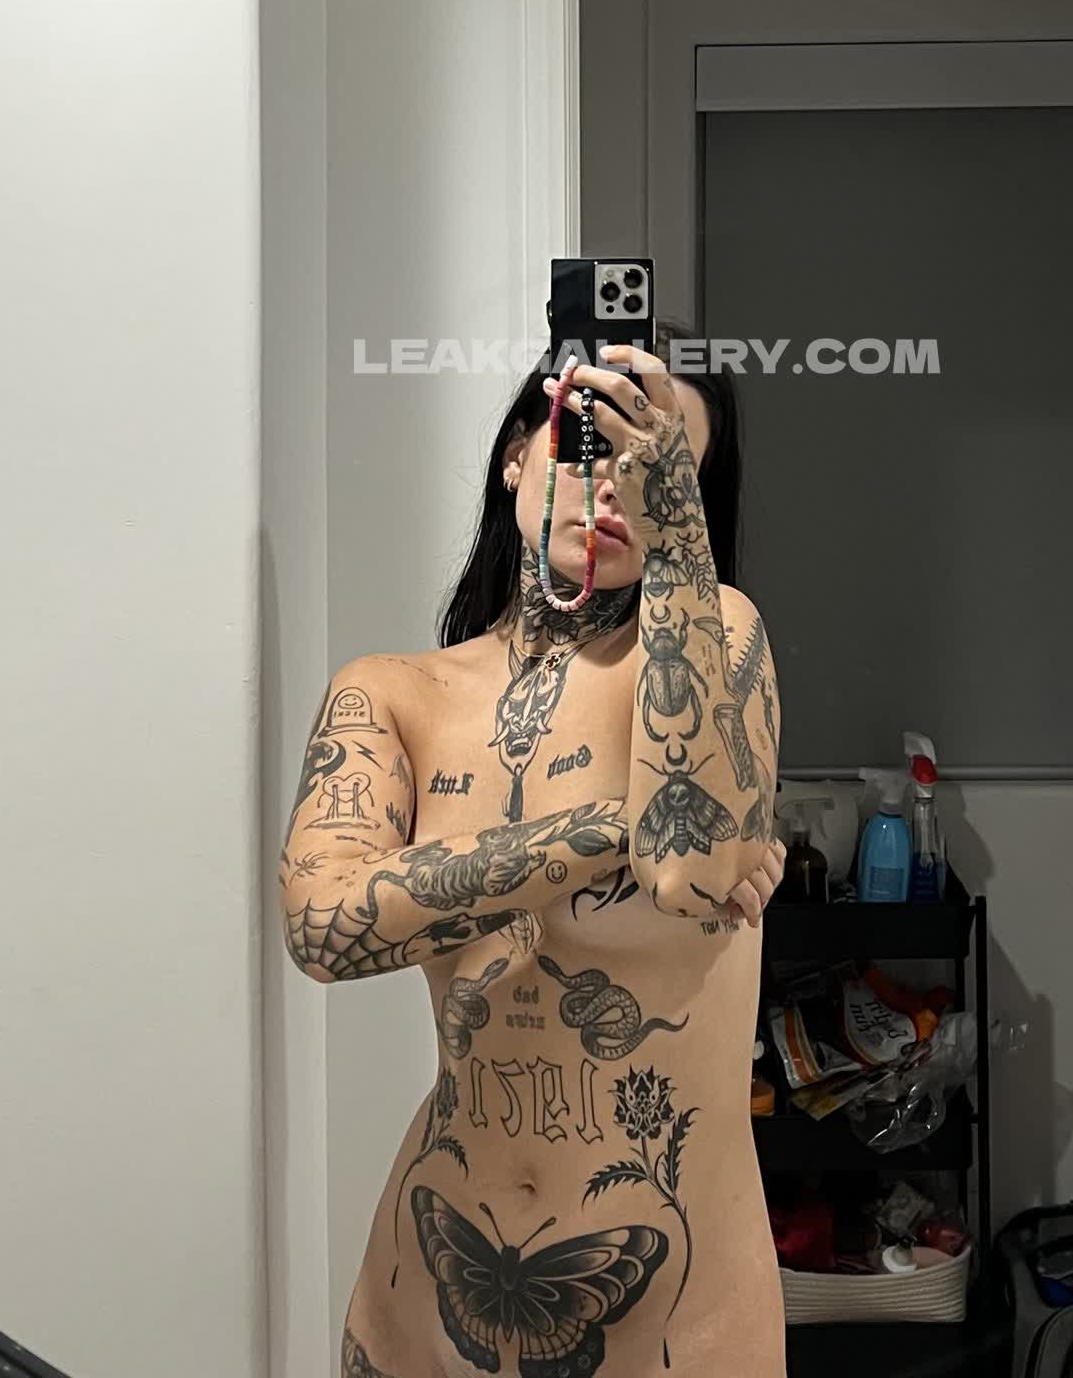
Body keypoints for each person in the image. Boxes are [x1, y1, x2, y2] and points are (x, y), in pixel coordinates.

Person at [279, 324, 788, 1378]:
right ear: (518, 453)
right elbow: (323, 926)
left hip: (676, 1323)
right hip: (423, 1290)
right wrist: (614, 826)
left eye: (660, 464)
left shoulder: (715, 638)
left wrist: (679, 545)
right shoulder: (392, 695)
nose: (617, 488)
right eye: (592, 441)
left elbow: (689, 868)